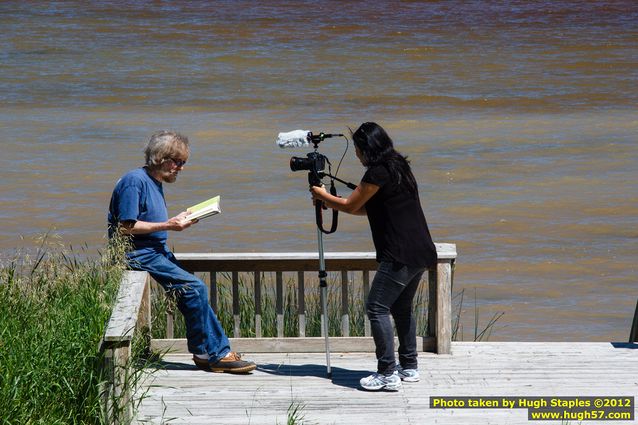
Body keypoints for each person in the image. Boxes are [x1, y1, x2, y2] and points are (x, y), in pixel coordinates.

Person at [108, 130, 256, 374]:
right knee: (195, 288)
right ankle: (213, 354)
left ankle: (209, 352)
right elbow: (125, 227)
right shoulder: (134, 181)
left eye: (183, 163)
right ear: (161, 158)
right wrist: (169, 225)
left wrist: (178, 218)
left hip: (155, 250)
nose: (181, 168)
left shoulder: (153, 182)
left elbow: (146, 220)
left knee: (192, 293)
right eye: (177, 162)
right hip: (138, 253)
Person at [310, 122, 437, 391]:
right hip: (421, 250)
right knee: (401, 308)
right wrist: (329, 202)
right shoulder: (398, 166)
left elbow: (350, 204)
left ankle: (387, 373)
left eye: (357, 149)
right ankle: (409, 366)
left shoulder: (377, 172)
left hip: (399, 253)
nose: (356, 154)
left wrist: (322, 195)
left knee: (376, 307)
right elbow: (367, 210)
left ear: (367, 148)